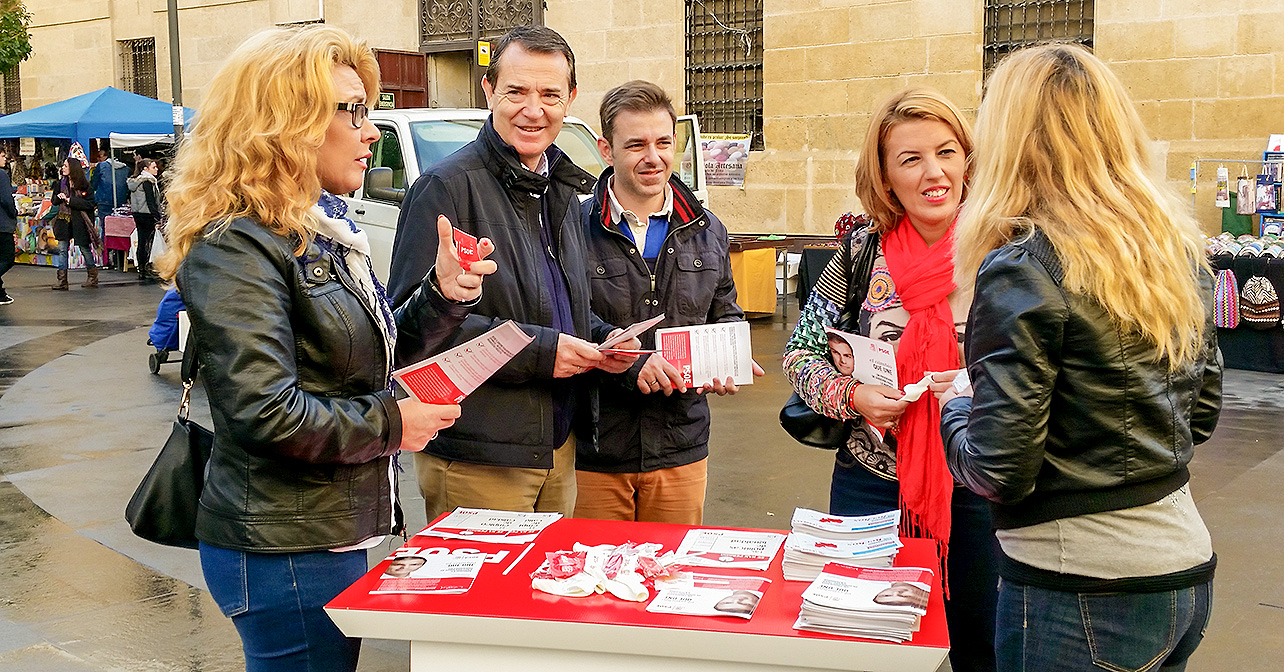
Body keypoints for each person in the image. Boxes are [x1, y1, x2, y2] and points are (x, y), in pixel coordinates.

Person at [156, 25, 495, 672]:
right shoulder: (237, 244)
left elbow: (363, 355)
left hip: (321, 532)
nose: (371, 131)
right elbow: (264, 413)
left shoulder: (312, 228)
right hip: (283, 545)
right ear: (286, 122)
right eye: (355, 111)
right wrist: (396, 422)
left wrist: (444, 293)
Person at [939, 44, 1221, 672]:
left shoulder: (1025, 265)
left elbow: (999, 468)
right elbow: (1196, 416)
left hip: (1081, 584)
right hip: (1176, 561)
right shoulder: (1169, 250)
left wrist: (957, 408)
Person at [782, 88, 997, 672]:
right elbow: (800, 356)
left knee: (985, 647)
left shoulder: (1005, 248)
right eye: (911, 159)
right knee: (868, 645)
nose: (935, 173)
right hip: (871, 487)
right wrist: (853, 395)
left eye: (948, 152)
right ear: (884, 176)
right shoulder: (861, 253)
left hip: (984, 484)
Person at [386, 25, 639, 522]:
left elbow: (563, 308)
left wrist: (605, 342)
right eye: (516, 91)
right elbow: (408, 332)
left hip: (557, 448)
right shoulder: (446, 189)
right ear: (488, 91)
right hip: (479, 455)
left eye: (549, 94)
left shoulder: (561, 191)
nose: (533, 109)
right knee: (481, 602)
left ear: (570, 99)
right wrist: (546, 352)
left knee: (544, 596)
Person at [576, 80, 761, 525]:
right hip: (597, 449)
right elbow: (568, 319)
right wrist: (630, 361)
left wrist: (729, 355)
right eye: (635, 144)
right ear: (606, 149)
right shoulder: (573, 228)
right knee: (592, 582)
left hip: (681, 444)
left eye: (663, 142)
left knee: (672, 578)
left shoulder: (707, 228)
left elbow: (725, 309)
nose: (652, 157)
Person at [50, 158, 99, 290]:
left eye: (65, 165)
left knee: (84, 248)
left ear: (73, 167)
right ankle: (62, 280)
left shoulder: (84, 185)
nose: (63, 168)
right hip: (63, 220)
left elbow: (90, 204)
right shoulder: (60, 183)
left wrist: (71, 201)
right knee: (62, 249)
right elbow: (53, 201)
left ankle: (92, 276)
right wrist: (58, 198)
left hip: (79, 221)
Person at [127, 157, 162, 282]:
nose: (156, 169)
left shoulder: (135, 181)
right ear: (145, 169)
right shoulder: (148, 181)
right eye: (154, 167)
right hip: (147, 214)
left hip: (137, 213)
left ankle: (141, 268)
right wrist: (157, 216)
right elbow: (150, 200)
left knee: (141, 241)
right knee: (147, 242)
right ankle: (145, 267)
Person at [0, 151, 15, 305]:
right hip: (3, 224)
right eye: (3, 156)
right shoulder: (2, 175)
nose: (6, 159)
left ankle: (0, 294)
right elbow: (6, 199)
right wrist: (14, 213)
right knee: (7, 258)